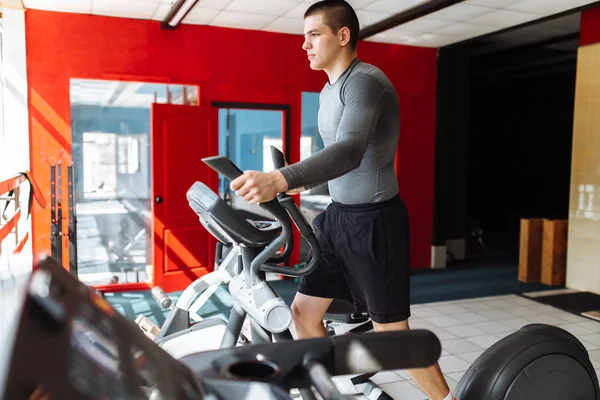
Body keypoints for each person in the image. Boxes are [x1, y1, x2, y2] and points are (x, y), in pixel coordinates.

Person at [230, 1, 457, 399]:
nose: (305, 45)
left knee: (391, 335)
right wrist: (297, 184)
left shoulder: (365, 81)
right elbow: (334, 160)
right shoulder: (326, 91)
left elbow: (351, 150)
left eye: (314, 34)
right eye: (305, 36)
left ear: (343, 35)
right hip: (337, 220)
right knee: (303, 313)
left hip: (375, 222)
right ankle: (332, 393)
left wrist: (282, 177)